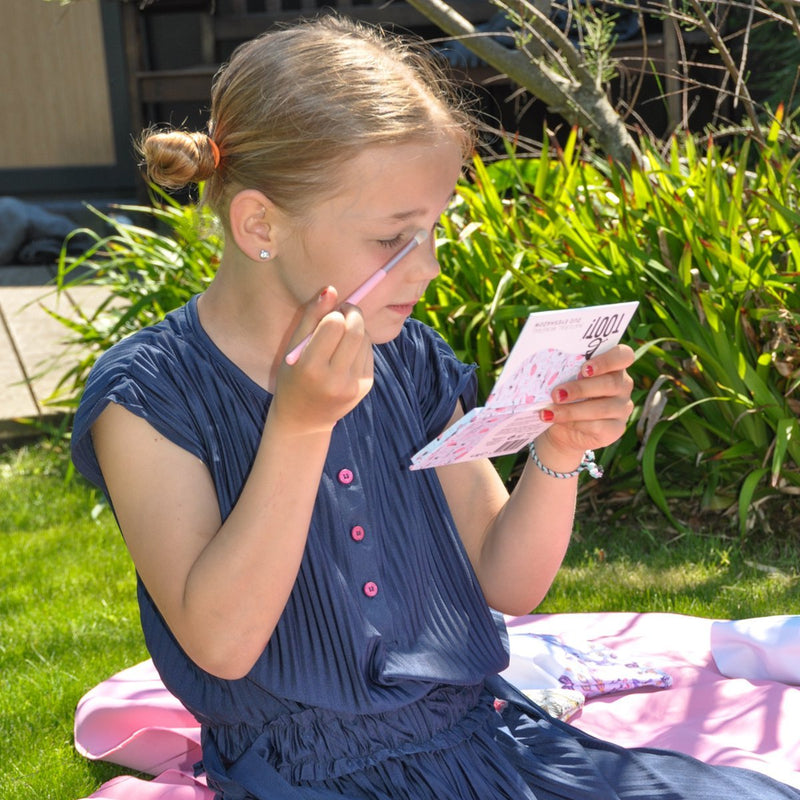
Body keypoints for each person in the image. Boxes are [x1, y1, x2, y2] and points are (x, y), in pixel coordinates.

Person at [71, 14, 799, 800]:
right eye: (394, 238)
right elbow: (223, 643)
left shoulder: (409, 361)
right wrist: (300, 426)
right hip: (307, 776)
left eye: (435, 229)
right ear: (259, 225)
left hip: (480, 740)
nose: (430, 266)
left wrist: (556, 456)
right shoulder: (148, 397)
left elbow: (506, 582)